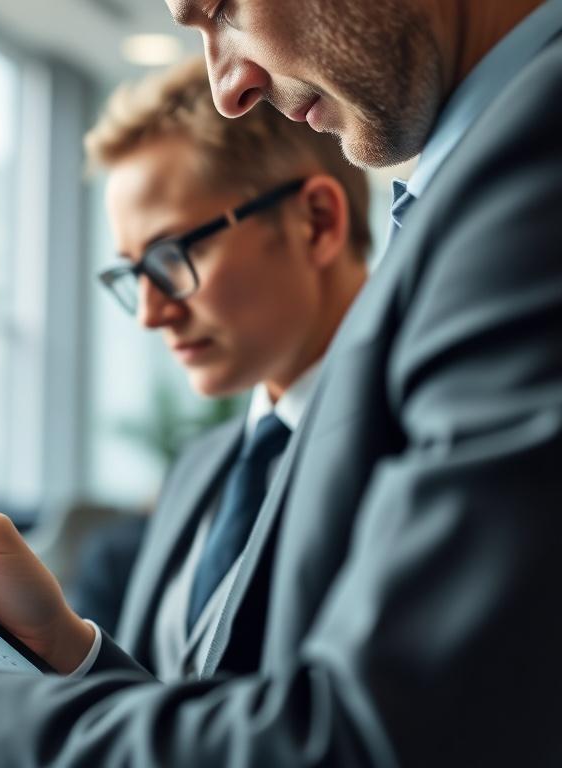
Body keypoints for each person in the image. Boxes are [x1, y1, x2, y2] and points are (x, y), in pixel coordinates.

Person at [0, 0, 562, 764]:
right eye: (130, 274)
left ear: (317, 225)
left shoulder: (524, 173)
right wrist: (65, 653)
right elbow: (246, 712)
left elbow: (375, 734)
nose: (228, 85)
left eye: (221, 8)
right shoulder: (218, 463)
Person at [71, 57, 370, 658]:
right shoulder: (199, 469)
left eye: (171, 256)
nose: (150, 314)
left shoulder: (419, 437)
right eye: (134, 273)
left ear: (315, 223)